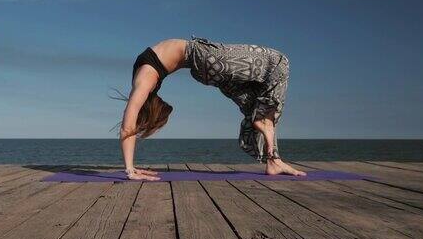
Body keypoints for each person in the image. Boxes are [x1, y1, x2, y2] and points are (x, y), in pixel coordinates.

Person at [110, 35, 306, 181]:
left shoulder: (144, 86)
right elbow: (127, 127)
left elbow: (130, 123)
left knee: (254, 102)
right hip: (204, 57)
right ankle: (264, 127)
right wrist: (130, 171)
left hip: (205, 68)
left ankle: (273, 159)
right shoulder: (144, 81)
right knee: (279, 61)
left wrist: (131, 167)